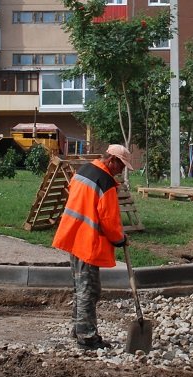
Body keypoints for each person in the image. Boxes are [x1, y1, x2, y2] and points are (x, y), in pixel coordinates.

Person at [52, 144, 133, 350]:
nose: (121, 171)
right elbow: (109, 220)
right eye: (121, 166)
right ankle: (87, 337)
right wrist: (120, 239)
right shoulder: (105, 182)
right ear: (112, 160)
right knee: (89, 290)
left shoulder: (85, 170)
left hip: (74, 234)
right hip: (86, 241)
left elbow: (75, 195)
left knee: (80, 288)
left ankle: (78, 328)